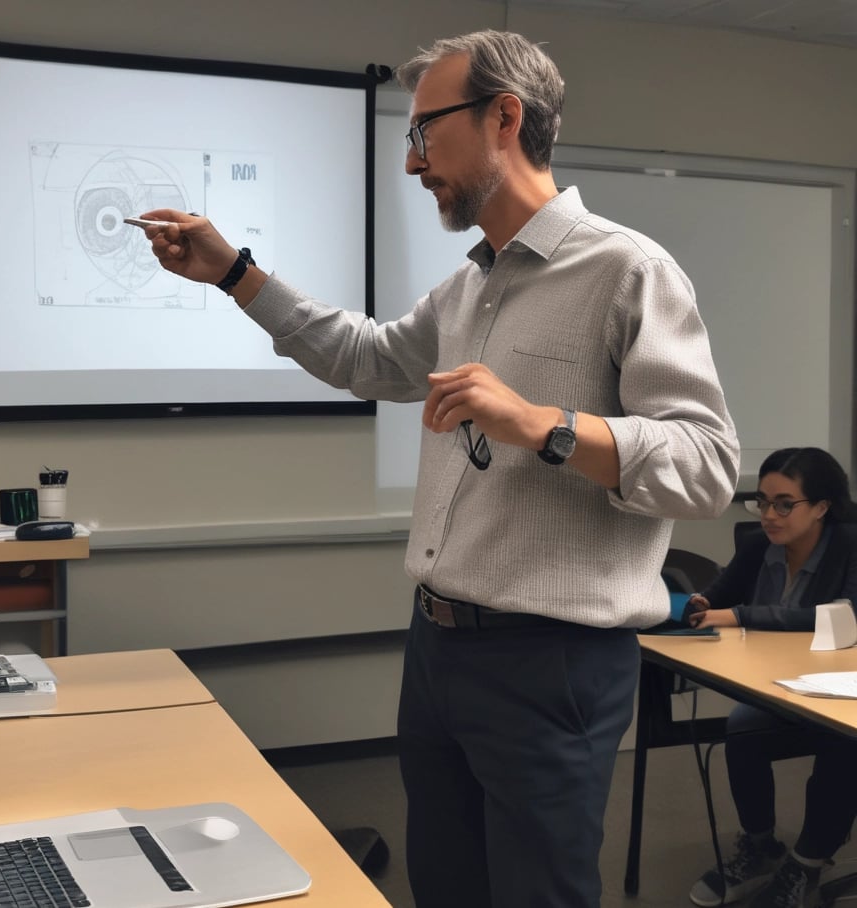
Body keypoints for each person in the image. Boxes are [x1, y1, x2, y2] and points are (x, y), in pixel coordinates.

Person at [140, 29, 739, 908]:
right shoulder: (468, 289)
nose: (414, 163)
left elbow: (707, 467)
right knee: (447, 888)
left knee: (538, 893)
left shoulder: (628, 271)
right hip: (439, 651)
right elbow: (366, 357)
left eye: (426, 132)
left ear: (506, 116)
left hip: (554, 661)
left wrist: (545, 424)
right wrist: (236, 273)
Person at [687, 447, 857, 908]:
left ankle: (807, 862)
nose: (769, 514)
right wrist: (699, 603)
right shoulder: (759, 545)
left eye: (784, 503)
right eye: (762, 501)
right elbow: (718, 597)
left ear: (821, 507)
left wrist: (740, 614)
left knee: (844, 744)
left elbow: (843, 618)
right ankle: (761, 847)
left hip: (843, 693)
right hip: (784, 689)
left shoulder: (850, 544)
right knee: (741, 729)